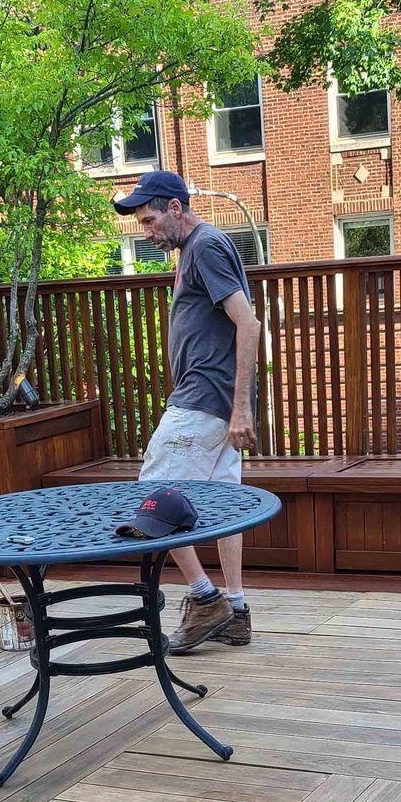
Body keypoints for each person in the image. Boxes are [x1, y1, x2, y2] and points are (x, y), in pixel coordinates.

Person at [111, 169, 262, 652]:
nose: (148, 232)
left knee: (152, 502)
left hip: (202, 402)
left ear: (176, 208)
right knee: (222, 508)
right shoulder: (194, 250)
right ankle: (235, 611)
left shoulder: (205, 246)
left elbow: (249, 324)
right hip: (214, 403)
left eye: (151, 221)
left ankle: (205, 599)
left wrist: (240, 409)